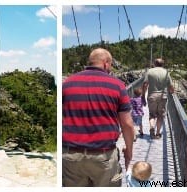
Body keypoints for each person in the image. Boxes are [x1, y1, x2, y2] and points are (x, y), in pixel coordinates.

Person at [62, 48, 135, 187]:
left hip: (71, 156)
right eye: (111, 65)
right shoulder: (117, 86)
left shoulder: (67, 84)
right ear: (106, 63)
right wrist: (129, 151)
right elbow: (127, 124)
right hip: (103, 157)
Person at [142, 58, 174, 139]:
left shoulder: (149, 71)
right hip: (163, 96)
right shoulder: (166, 72)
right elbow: (171, 86)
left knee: (152, 114)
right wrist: (172, 92)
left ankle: (152, 127)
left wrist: (143, 95)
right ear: (162, 64)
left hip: (152, 96)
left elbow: (145, 84)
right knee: (160, 115)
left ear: (154, 63)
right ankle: (158, 133)